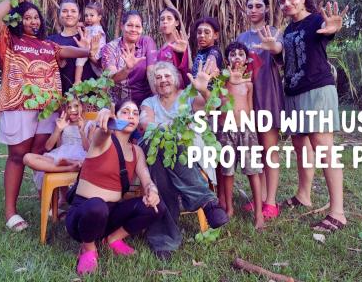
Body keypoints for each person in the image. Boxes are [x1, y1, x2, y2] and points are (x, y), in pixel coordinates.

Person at [0, 0, 93, 231]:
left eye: (36, 17)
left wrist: (87, 50)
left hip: (47, 110)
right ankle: (10, 213)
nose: (33, 21)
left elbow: (71, 52)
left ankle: (48, 202)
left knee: (41, 154)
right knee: (17, 157)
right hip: (18, 106)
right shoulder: (9, 40)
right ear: (18, 20)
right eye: (27, 17)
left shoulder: (48, 45)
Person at [274, 0, 348, 231]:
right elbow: (286, 62)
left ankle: (337, 212)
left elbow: (328, 31)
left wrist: (333, 28)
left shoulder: (316, 20)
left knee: (323, 148)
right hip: (293, 91)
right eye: (282, 0)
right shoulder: (287, 30)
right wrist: (276, 52)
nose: (286, 3)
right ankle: (303, 195)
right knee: (300, 146)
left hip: (317, 90)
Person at [139, 61, 229, 260]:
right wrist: (174, 131)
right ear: (154, 83)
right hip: (159, 148)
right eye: (158, 77)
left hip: (187, 155)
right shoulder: (148, 102)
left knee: (162, 162)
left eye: (167, 76)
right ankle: (206, 201)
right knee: (162, 143)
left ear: (175, 78)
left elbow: (212, 107)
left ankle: (164, 239)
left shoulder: (188, 96)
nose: (163, 80)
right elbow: (146, 124)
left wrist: (204, 90)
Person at [65, 99, 165, 275]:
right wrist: (104, 120)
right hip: (84, 213)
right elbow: (101, 135)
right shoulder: (104, 140)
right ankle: (88, 248)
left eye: (135, 113)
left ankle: (112, 239)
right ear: (115, 116)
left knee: (157, 207)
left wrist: (152, 191)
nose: (131, 116)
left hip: (110, 215)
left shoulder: (137, 151)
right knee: (97, 206)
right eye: (125, 112)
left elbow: (146, 179)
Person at [236, 0, 285, 219]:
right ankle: (262, 197)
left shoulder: (275, 33)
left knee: (269, 150)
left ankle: (271, 202)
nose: (254, 10)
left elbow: (279, 53)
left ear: (266, 8)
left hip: (268, 96)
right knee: (256, 151)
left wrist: (273, 46)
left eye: (258, 6)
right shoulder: (242, 38)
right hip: (247, 99)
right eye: (250, 6)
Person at [216, 42, 263, 228]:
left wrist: (252, 131)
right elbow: (217, 105)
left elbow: (250, 109)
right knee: (227, 171)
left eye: (241, 54)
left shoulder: (249, 84)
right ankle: (229, 208)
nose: (237, 57)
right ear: (227, 60)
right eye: (233, 54)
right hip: (226, 130)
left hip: (246, 130)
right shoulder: (221, 83)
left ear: (246, 59)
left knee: (253, 171)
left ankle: (259, 212)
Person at [23, 97, 88, 202]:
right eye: (69, 107)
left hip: (81, 158)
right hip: (61, 157)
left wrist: (82, 132)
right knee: (27, 158)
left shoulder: (89, 124)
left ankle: (72, 164)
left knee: (84, 161)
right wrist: (58, 130)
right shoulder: (62, 124)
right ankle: (70, 167)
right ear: (65, 110)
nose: (72, 110)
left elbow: (89, 150)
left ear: (83, 107)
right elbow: (48, 147)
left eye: (76, 106)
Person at [101, 10, 157, 106]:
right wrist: (126, 69)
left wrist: (158, 99)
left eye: (138, 26)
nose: (134, 29)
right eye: (130, 25)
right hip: (119, 104)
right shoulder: (110, 48)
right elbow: (111, 78)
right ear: (122, 26)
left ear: (142, 29)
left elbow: (151, 72)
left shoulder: (146, 42)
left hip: (145, 102)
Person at [48, 0, 100, 95]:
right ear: (58, 15)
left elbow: (101, 66)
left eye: (73, 11)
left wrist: (89, 52)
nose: (69, 14)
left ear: (79, 15)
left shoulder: (89, 35)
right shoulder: (50, 41)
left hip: (88, 96)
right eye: (64, 11)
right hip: (61, 97)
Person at [74, 2, 107, 84]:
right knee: (80, 61)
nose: (88, 18)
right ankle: (77, 81)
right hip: (89, 50)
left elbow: (97, 38)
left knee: (100, 72)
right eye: (86, 15)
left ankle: (77, 80)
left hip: (98, 53)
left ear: (99, 17)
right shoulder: (89, 27)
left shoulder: (98, 29)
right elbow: (79, 25)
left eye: (91, 15)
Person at [157, 8, 189, 88]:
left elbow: (184, 67)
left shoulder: (179, 45)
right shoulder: (161, 49)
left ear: (177, 23)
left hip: (178, 93)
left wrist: (182, 53)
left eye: (169, 18)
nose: (165, 21)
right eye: (162, 19)